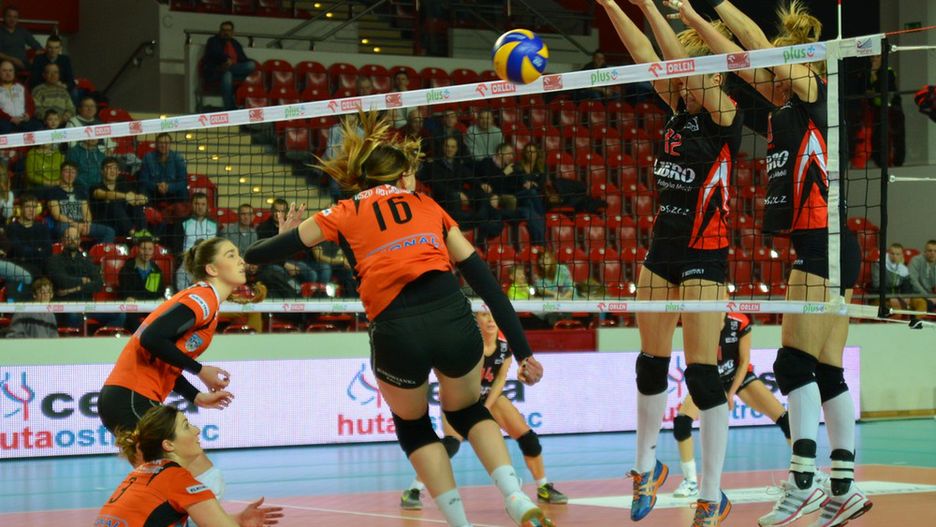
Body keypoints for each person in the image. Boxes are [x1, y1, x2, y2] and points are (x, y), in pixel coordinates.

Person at [244, 111, 553, 527]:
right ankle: (515, 498)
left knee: (414, 426)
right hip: (451, 317)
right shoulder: (427, 205)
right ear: (403, 176)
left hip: (397, 330)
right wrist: (524, 352)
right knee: (468, 411)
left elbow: (256, 255)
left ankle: (460, 524)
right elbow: (489, 288)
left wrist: (284, 234)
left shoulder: (342, 211)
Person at [676, 1, 870, 526]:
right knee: (827, 370)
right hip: (831, 245)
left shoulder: (814, 89)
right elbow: (742, 62)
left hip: (824, 245)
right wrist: (693, 19)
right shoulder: (786, 104)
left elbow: (759, 49)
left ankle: (803, 480)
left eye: (780, 65)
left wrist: (716, 3)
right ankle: (844, 488)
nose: (770, 74)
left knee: (791, 365)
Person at [599, 1, 743, 525]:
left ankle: (712, 493)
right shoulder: (677, 105)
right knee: (650, 362)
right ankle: (646, 468)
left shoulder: (725, 112)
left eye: (690, 69)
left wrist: (656, 9)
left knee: (703, 376)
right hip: (662, 250)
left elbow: (680, 61)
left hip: (706, 254)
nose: (678, 76)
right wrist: (618, 5)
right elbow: (644, 54)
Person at [99, 237, 245, 504]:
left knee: (187, 482)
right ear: (212, 269)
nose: (241, 261)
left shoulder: (206, 301)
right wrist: (199, 370)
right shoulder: (202, 299)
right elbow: (151, 338)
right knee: (197, 479)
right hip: (131, 398)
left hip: (131, 399)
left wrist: (196, 396)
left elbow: (164, 355)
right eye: (231, 255)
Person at [401, 311, 568, 510]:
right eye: (484, 315)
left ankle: (543, 487)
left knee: (528, 438)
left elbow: (500, 380)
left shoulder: (505, 346)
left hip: (489, 397)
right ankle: (413, 490)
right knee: (450, 445)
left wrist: (485, 408)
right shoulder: (467, 344)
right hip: (460, 398)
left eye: (493, 315)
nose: (490, 320)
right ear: (475, 320)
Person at [96, 405, 283, 527]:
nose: (197, 430)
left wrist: (238, 520)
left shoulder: (143, 474)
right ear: (168, 445)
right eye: (186, 426)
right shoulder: (176, 479)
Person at [672, 313, 791, 498]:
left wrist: (731, 393)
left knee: (786, 420)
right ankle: (690, 481)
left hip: (737, 377)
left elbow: (744, 361)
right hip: (711, 379)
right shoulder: (700, 320)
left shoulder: (739, 322)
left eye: (723, 298)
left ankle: (804, 472)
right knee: (681, 423)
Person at [47, 161, 116, 243]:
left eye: (73, 172)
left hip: (82, 224)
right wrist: (75, 224)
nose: (70, 175)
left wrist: (87, 224)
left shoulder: (80, 191)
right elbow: (56, 215)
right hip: (64, 224)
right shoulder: (53, 191)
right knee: (69, 231)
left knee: (109, 231)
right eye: (67, 171)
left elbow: (86, 212)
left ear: (76, 175)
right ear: (61, 173)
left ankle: (100, 251)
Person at [202, 21, 255, 111]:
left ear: (232, 32)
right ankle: (229, 108)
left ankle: (230, 107)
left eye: (228, 30)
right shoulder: (213, 41)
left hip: (234, 69)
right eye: (223, 30)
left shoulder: (235, 44)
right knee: (227, 74)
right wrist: (226, 59)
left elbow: (243, 58)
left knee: (250, 65)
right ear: (220, 31)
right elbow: (214, 53)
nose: (226, 32)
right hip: (217, 70)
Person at [90, 157, 148, 237]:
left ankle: (143, 233)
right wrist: (126, 196)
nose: (112, 171)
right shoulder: (95, 187)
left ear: (118, 172)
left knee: (136, 205)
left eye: (115, 168)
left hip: (122, 224)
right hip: (105, 225)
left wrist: (140, 199)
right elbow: (106, 194)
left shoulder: (123, 185)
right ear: (102, 171)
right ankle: (133, 235)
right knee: (113, 203)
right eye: (109, 168)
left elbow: (138, 198)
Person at [139, 133, 190, 221]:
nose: (163, 145)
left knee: (183, 190)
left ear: (170, 144)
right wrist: (157, 186)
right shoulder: (148, 157)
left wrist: (169, 187)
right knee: (142, 189)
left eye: (166, 143)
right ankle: (146, 216)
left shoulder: (178, 158)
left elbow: (183, 182)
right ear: (156, 144)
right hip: (154, 192)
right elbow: (143, 180)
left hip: (172, 193)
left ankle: (181, 221)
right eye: (161, 143)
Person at [871, 242, 927, 321]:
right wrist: (890, 297)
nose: (895, 256)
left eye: (898, 254)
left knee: (921, 302)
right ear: (888, 254)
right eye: (892, 253)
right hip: (883, 297)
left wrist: (906, 297)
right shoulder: (878, 264)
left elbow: (907, 285)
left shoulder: (903, 268)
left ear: (901, 255)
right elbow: (877, 285)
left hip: (900, 297)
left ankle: (916, 322)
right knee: (897, 308)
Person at [4, 193, 51, 278]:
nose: (31, 210)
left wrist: (29, 252)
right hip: (18, 268)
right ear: (21, 208)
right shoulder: (12, 228)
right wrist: (38, 250)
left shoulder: (42, 227)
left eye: (34, 207)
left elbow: (48, 250)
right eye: (28, 207)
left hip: (40, 268)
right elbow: (19, 251)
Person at [25, 110, 65, 187]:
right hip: (40, 186)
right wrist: (47, 182)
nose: (53, 122)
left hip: (56, 183)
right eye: (50, 119)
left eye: (56, 119)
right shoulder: (33, 153)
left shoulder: (61, 137)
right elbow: (31, 175)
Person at [0, 58, 40, 134]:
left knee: (37, 126)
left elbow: (31, 104)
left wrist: (28, 114)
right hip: (5, 121)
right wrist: (10, 118)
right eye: (4, 71)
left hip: (22, 120)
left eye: (10, 70)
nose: (8, 73)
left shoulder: (21, 87)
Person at [0, 6, 41, 71]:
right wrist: (12, 60)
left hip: (24, 64)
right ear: (4, 17)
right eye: (9, 16)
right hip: (6, 64)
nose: (12, 19)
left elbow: (38, 47)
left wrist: (35, 58)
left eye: (15, 17)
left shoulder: (22, 31)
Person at [908, 240, 936, 312]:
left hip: (931, 295)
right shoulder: (916, 260)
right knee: (925, 304)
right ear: (925, 251)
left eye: (935, 251)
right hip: (916, 294)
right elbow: (913, 281)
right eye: (930, 250)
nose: (933, 253)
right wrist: (927, 296)